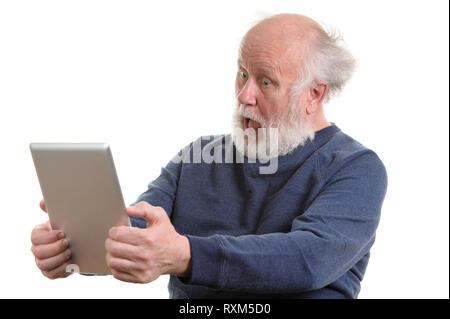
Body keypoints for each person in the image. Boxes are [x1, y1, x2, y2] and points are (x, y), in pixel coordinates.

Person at [30, 13, 388, 298]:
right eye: (243, 74)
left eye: (265, 81)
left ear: (314, 93)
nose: (244, 95)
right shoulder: (198, 156)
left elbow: (309, 259)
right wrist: (77, 244)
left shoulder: (355, 167)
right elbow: (140, 228)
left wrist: (185, 255)